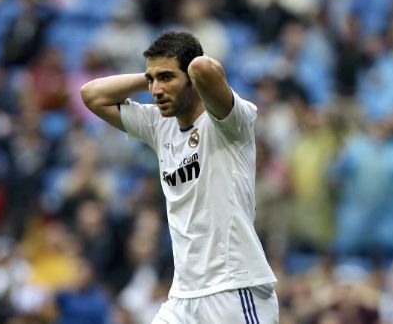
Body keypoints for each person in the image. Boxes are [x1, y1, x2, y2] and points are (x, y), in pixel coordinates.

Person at [81, 31, 278, 323]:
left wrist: (184, 71)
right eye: (152, 80)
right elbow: (91, 95)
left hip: (235, 290)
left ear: (191, 80)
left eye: (166, 78)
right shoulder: (159, 125)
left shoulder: (230, 123)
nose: (156, 89)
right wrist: (152, 78)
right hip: (183, 297)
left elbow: (203, 68)